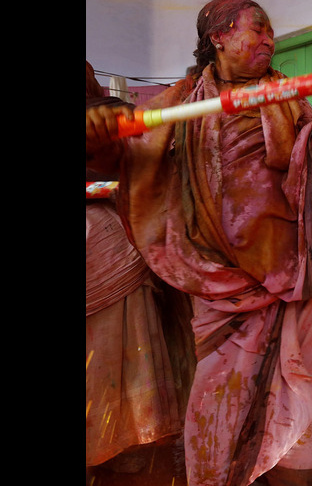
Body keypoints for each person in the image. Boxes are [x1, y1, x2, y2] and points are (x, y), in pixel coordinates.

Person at [85, 0, 312, 486]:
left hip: (295, 286)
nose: (269, 39)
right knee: (216, 419)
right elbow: (125, 156)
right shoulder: (180, 104)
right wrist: (101, 126)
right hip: (219, 292)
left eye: (272, 31)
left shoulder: (286, 95)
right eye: (257, 28)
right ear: (218, 37)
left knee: (305, 440)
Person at [86, 61, 192, 477]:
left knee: (129, 424)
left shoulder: (98, 104)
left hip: (107, 258)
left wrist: (106, 120)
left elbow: (120, 127)